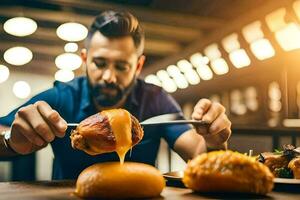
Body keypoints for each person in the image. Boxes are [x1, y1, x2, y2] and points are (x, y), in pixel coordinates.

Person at [0, 11, 231, 179]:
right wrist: (11, 141)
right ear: (84, 59)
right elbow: (4, 133)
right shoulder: (62, 97)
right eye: (99, 63)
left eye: (121, 66)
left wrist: (213, 143)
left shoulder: (156, 100)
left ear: (138, 66)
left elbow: (199, 155)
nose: (109, 76)